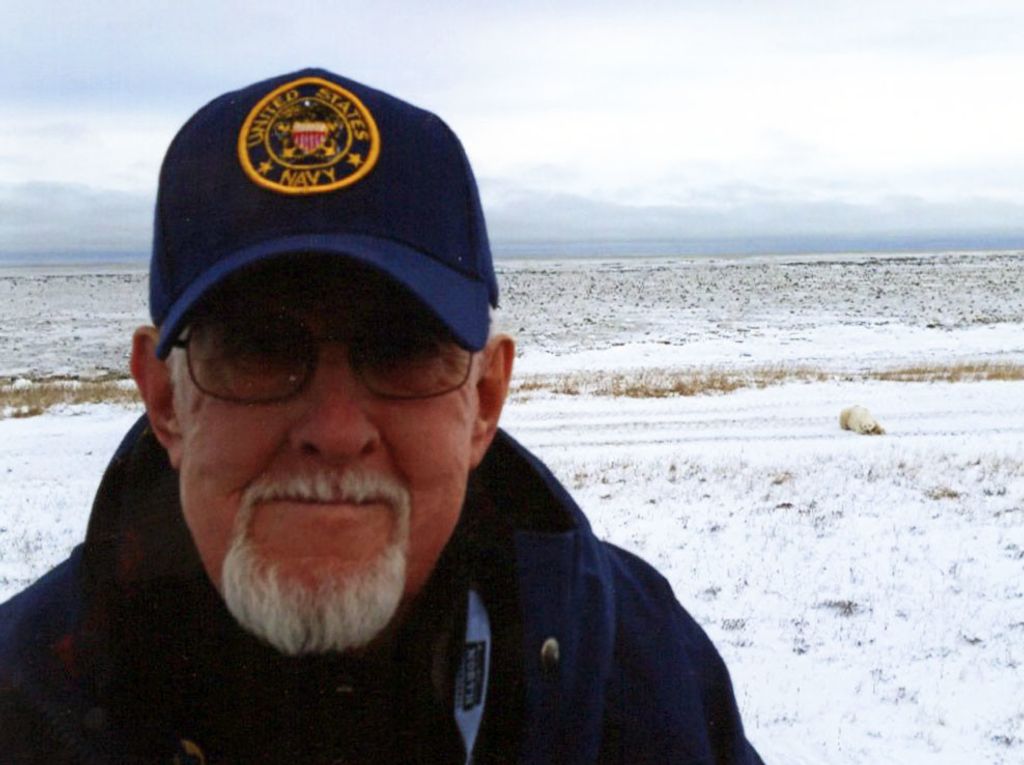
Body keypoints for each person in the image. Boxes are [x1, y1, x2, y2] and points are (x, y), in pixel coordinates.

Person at [0, 68, 764, 764]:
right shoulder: (24, 699)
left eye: (401, 349)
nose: (335, 431)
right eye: (261, 348)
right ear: (166, 400)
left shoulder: (640, 673)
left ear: (484, 402)